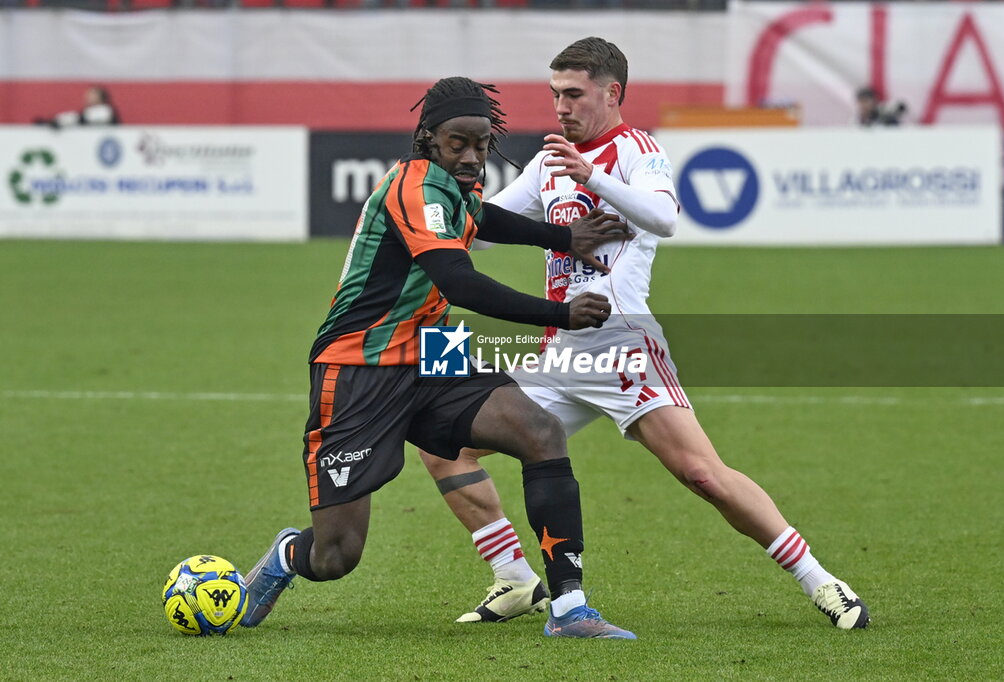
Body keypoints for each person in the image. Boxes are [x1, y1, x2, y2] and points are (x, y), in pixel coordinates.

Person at [418, 38, 871, 632]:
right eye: (555, 94)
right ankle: (516, 577)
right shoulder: (550, 160)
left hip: (623, 344)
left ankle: (822, 581)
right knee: (444, 446)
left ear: (612, 94)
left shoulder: (637, 150)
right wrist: (446, 192)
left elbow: (665, 218)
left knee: (702, 474)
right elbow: (480, 233)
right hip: (561, 350)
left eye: (574, 94)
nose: (561, 107)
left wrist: (594, 177)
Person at [241, 76, 637, 639]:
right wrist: (559, 314)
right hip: (358, 367)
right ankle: (288, 555)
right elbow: (460, 282)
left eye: (481, 144)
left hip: (433, 351)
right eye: (458, 144)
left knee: (540, 431)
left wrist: (563, 238)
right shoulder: (414, 188)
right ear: (428, 138)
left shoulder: (456, 187)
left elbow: (486, 218)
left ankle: (569, 607)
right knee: (336, 555)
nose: (472, 157)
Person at [34, 85, 120, 128]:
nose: (88, 96)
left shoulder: (107, 111)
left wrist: (59, 121)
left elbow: (80, 118)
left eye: (92, 94)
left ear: (101, 97)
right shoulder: (87, 112)